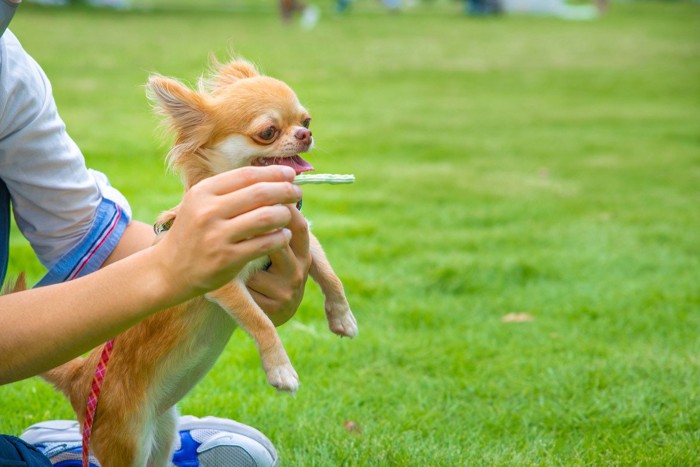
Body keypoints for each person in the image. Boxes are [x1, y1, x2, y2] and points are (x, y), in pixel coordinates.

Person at [0, 2, 311, 465]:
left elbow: (91, 234)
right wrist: (167, 269)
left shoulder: (11, 74)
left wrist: (192, 251)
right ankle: (74, 446)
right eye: (267, 133)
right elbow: (158, 268)